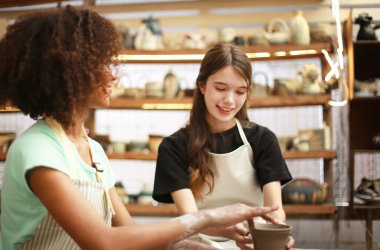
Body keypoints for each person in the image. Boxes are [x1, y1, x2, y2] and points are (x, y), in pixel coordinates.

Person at [0, 6, 279, 250]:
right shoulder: (37, 149)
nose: (113, 73)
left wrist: (181, 246)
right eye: (100, 64)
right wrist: (206, 218)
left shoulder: (93, 151)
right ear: (66, 74)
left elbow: (127, 233)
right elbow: (104, 243)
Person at [153, 43, 294, 249]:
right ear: (202, 86)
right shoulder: (173, 147)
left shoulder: (263, 139)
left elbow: (274, 209)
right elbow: (189, 219)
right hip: (200, 245)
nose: (229, 100)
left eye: (240, 91)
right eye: (220, 89)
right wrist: (227, 231)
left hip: (253, 242)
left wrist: (279, 233)